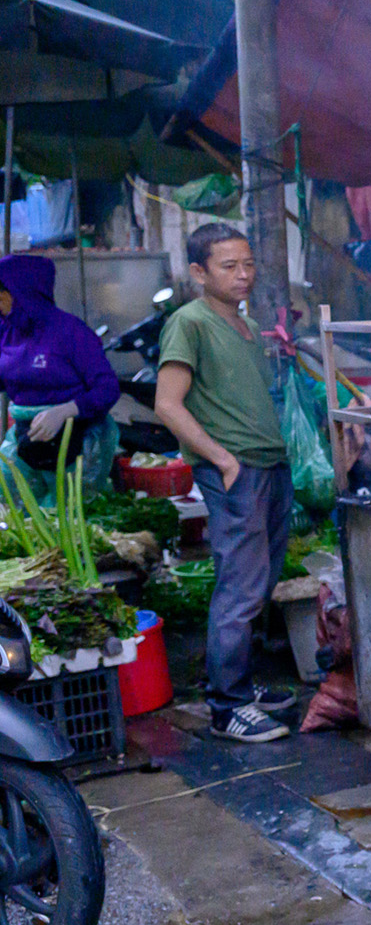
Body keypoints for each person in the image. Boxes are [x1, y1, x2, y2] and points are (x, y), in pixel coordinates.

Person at [153, 223, 296, 743]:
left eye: (248, 264)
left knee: (259, 580)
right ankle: (227, 707)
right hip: (235, 472)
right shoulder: (188, 323)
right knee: (239, 586)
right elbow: (167, 404)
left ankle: (239, 684)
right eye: (229, 266)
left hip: (268, 466)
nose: (243, 275)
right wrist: (222, 460)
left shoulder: (247, 326)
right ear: (198, 272)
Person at [0, 254, 120, 500]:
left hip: (77, 439)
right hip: (26, 434)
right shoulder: (6, 332)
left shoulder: (70, 332)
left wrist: (65, 411)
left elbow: (107, 388)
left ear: (21, 291)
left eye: (2, 292)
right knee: (15, 508)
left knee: (69, 515)